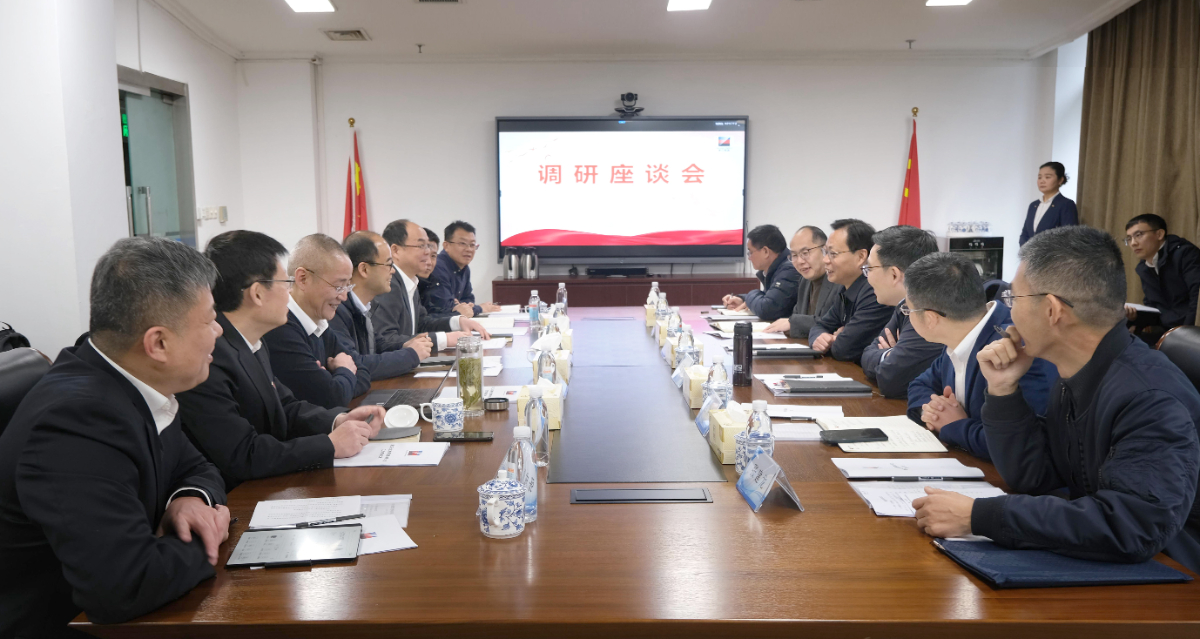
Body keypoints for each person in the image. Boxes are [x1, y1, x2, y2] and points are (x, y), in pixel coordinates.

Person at [913, 226, 1200, 574]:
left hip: (1172, 574)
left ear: (1052, 310)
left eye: (1013, 299)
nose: (1008, 313)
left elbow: (1133, 526)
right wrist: (1003, 391)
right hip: (1106, 560)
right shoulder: (1077, 373)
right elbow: (1035, 477)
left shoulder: (1148, 397)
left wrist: (979, 516)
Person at [0, 237, 230, 633]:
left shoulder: (131, 381)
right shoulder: (78, 421)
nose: (219, 331)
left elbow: (197, 466)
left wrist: (189, 499)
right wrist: (206, 536)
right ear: (158, 342)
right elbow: (124, 586)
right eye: (209, 320)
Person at [177, 230, 384, 490]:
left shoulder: (253, 342)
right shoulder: (210, 356)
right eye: (285, 283)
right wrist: (329, 445)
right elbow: (243, 453)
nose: (289, 293)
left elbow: (286, 407)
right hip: (237, 496)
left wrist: (338, 420)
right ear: (257, 293)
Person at [904, 253, 1054, 459]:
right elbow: (919, 385)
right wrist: (932, 411)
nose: (907, 315)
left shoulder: (1014, 348)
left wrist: (955, 426)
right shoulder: (959, 334)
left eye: (908, 310)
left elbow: (1015, 444)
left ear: (930, 318)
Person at [261, 234, 371, 409]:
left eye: (347, 286)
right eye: (338, 286)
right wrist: (345, 370)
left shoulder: (320, 324)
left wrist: (336, 379)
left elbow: (363, 372)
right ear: (303, 278)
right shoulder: (281, 329)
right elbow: (331, 397)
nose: (344, 296)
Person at [372, 219, 491, 355]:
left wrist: (458, 321)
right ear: (396, 250)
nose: (428, 252)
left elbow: (422, 324)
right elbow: (385, 340)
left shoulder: (410, 281)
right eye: (421, 246)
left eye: (428, 246)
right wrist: (445, 339)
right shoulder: (388, 284)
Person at [332, 231, 432, 379]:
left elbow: (379, 344)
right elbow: (355, 364)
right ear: (364, 269)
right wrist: (411, 355)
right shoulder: (336, 310)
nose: (393, 271)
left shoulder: (366, 305)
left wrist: (406, 345)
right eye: (389, 264)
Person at [859, 226, 944, 398]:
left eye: (870, 268)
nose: (867, 277)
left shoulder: (930, 310)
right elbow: (867, 354)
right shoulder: (903, 306)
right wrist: (889, 355)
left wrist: (889, 357)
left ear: (894, 274)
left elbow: (891, 379)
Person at [808, 219, 892, 362]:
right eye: (825, 252)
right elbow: (820, 325)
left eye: (833, 253)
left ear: (861, 256)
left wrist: (836, 338)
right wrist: (819, 338)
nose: (825, 260)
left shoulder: (874, 292)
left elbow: (844, 349)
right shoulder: (845, 288)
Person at [1124, 213, 1200, 331]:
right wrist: (1134, 318)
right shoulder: (1143, 268)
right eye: (1129, 238)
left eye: (1138, 235)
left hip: (1190, 330)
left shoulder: (1185, 254)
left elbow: (1197, 297)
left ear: (1159, 234)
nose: (1133, 243)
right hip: (1167, 331)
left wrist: (1187, 332)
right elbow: (1155, 309)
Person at [763, 225, 842, 339]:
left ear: (824, 250)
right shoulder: (804, 281)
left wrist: (793, 323)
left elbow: (834, 323)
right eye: (794, 255)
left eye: (805, 253)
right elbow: (797, 316)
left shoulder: (839, 280)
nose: (800, 261)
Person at [721, 224, 799, 322]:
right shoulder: (779, 267)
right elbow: (771, 298)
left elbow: (767, 309)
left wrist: (750, 295)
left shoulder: (789, 270)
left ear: (766, 251)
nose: (749, 258)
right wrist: (742, 299)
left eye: (751, 252)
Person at [426, 220, 502, 318]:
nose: (469, 249)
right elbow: (446, 308)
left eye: (472, 245)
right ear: (446, 246)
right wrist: (480, 308)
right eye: (462, 243)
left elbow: (469, 299)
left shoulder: (464, 268)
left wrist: (463, 307)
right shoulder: (438, 267)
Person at [1019, 161, 1078, 246]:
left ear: (1060, 180)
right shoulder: (1033, 205)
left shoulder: (1066, 204)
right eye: (1039, 177)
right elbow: (1025, 234)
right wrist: (1027, 251)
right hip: (1029, 254)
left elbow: (1069, 237)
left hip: (1052, 254)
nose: (1042, 181)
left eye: (1047, 177)